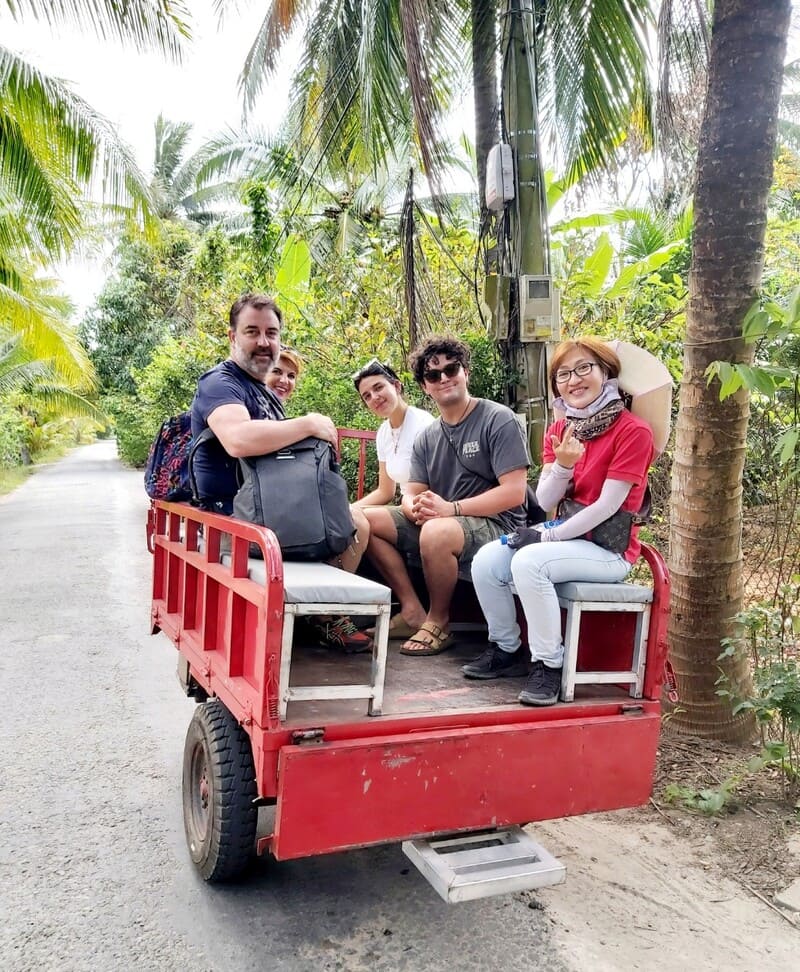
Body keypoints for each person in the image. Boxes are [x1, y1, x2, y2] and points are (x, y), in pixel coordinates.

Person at [465, 337, 655, 706]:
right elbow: (547, 499)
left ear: (607, 374)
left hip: (608, 548)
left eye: (585, 368)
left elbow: (607, 505)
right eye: (564, 374)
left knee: (528, 561)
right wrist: (564, 464)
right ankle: (506, 649)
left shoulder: (634, 431)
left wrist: (546, 540)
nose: (574, 380)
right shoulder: (559, 430)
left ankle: (549, 666)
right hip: (566, 538)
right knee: (487, 560)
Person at [190, 293, 372, 653]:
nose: (263, 342)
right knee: (350, 526)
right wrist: (307, 424)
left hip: (266, 513)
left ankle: (321, 617)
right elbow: (238, 439)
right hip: (231, 522)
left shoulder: (263, 393)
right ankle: (319, 618)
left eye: (271, 333)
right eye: (252, 332)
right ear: (232, 337)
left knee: (357, 523)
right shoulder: (219, 384)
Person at [363, 335, 530, 655]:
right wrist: (417, 507)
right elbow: (410, 493)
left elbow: (514, 492)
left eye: (451, 369)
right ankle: (413, 611)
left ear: (465, 372)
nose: (443, 379)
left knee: (437, 531)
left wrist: (449, 509)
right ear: (425, 387)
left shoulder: (498, 419)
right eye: (432, 375)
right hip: (447, 519)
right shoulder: (427, 437)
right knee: (365, 519)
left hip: (498, 525)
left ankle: (438, 621)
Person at [351, 358, 435, 510]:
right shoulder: (383, 433)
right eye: (367, 396)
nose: (374, 397)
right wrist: (348, 510)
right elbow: (385, 492)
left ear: (396, 386)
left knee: (364, 520)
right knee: (355, 518)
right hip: (409, 508)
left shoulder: (424, 424)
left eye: (378, 388)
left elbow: (440, 484)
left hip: (430, 508)